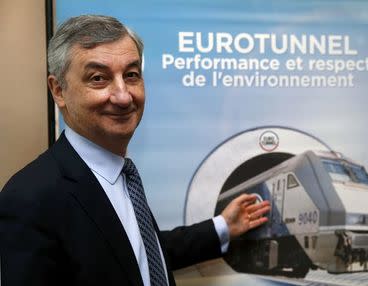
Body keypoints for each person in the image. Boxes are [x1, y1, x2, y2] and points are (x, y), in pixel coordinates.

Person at [0, 15, 270, 286]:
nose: (123, 95)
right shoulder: (29, 198)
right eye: (98, 78)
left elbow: (133, 253)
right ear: (58, 90)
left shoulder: (123, 174)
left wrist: (222, 227)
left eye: (131, 75)